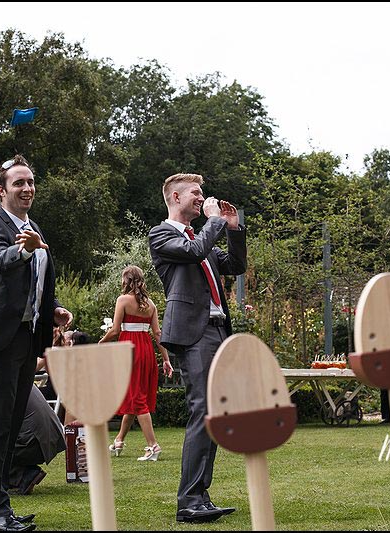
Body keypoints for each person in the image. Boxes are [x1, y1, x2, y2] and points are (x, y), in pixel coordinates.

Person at [0, 154, 72, 532]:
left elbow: (35, 283)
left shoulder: (34, 226)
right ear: (1, 189)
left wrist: (53, 308)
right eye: (18, 183)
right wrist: (27, 249)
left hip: (27, 337)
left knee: (9, 422)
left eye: (30, 182)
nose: (27, 188)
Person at [148, 173, 246, 523]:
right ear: (175, 196)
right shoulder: (162, 235)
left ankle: (200, 497)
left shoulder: (199, 239)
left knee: (215, 413)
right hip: (194, 333)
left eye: (201, 193)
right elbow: (194, 252)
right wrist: (215, 220)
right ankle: (188, 500)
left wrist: (233, 228)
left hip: (218, 331)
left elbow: (235, 266)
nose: (201, 197)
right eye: (195, 193)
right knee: (203, 408)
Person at [0, 347, 65, 498]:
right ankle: (22, 473)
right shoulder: (11, 373)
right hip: (51, 439)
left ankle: (24, 476)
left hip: (32, 443)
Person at [99, 265, 173, 461]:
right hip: (146, 350)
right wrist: (165, 359)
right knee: (135, 395)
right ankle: (119, 441)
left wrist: (101, 342)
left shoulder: (122, 300)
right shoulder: (151, 305)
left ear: (126, 281)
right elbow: (157, 334)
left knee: (137, 398)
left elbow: (115, 330)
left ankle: (153, 446)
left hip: (129, 350)